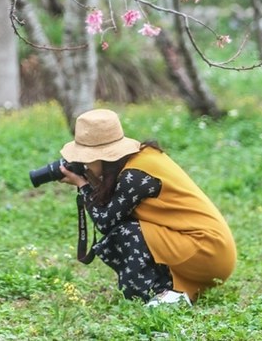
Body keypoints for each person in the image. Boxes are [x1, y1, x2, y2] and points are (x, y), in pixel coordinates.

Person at [58, 108, 236, 306]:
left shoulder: (134, 176)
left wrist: (82, 185)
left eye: (85, 158)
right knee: (131, 227)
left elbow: (105, 221)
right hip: (212, 250)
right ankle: (169, 290)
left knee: (126, 232)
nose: (82, 164)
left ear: (102, 156)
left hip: (207, 251)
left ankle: (159, 297)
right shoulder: (140, 159)